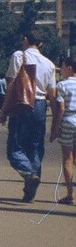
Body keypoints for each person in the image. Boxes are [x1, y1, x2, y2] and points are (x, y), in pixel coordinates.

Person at [0, 32, 57, 202]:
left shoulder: (19, 56)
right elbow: (52, 94)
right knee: (35, 147)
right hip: (41, 106)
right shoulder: (49, 64)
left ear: (26, 40)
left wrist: (4, 112)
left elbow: (12, 85)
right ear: (40, 44)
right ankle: (30, 191)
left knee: (15, 148)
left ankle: (29, 175)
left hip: (22, 104)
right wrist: (56, 122)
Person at [50, 56, 76, 204]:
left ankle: (70, 194)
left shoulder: (62, 85)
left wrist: (55, 128)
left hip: (68, 120)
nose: (62, 69)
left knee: (68, 158)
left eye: (63, 66)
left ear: (69, 68)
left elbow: (60, 109)